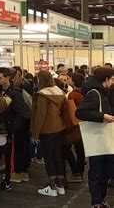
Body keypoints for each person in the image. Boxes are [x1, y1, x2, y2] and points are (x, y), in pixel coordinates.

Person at [76, 67, 114, 208]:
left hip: (104, 138)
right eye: (112, 78)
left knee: (104, 171)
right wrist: (102, 116)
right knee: (98, 171)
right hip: (98, 138)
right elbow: (80, 112)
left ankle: (100, 199)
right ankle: (97, 202)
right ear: (106, 79)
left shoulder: (102, 92)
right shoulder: (95, 93)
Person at [31, 71, 66, 197]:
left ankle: (51, 187)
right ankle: (60, 186)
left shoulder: (42, 95)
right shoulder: (60, 92)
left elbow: (40, 115)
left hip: (46, 130)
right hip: (59, 128)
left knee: (49, 158)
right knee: (58, 157)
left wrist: (35, 134)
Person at [0, 67, 31, 190]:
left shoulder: (15, 93)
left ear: (7, 77)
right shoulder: (0, 91)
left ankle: (16, 173)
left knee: (16, 151)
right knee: (17, 151)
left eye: (0, 78)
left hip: (15, 129)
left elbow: (23, 112)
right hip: (9, 128)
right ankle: (20, 172)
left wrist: (13, 127)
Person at [64, 72, 86, 183]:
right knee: (80, 150)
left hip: (75, 125)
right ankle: (80, 171)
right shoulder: (85, 93)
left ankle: (76, 172)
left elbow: (71, 112)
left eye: (68, 79)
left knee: (66, 147)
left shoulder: (73, 95)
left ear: (73, 81)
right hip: (84, 124)